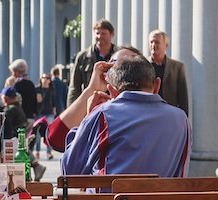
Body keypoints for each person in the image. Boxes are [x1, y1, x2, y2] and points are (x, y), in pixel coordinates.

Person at [60, 54, 190, 178]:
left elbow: (70, 171)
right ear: (157, 85)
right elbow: (181, 174)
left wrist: (87, 119)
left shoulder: (102, 115)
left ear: (111, 91)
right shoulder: (181, 119)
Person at [68, 19, 120, 106]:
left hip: (114, 104)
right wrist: (72, 108)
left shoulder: (120, 55)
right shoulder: (83, 57)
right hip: (91, 104)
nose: (99, 36)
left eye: (103, 33)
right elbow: (74, 87)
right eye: (97, 33)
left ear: (111, 34)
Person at [148, 30, 189, 116]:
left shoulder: (177, 67)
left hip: (169, 114)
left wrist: (184, 120)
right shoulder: (143, 64)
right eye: (151, 42)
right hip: (148, 113)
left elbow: (183, 98)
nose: (153, 45)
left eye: (157, 42)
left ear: (166, 45)